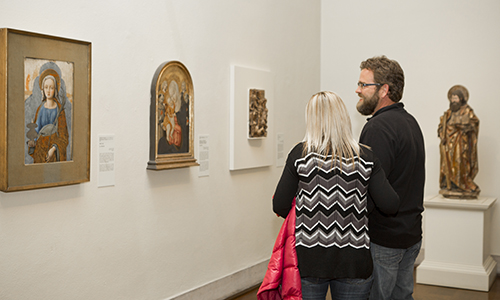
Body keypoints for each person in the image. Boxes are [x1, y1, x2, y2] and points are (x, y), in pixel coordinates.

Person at [273, 91, 400, 300]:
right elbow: (390, 204)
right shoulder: (366, 156)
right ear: (343, 118)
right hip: (354, 260)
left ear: (311, 119)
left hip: (309, 260)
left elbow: (279, 205)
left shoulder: (300, 155)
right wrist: (357, 207)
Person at [355, 56, 425, 300]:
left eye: (364, 85)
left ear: (384, 89)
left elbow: (370, 189)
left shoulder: (377, 128)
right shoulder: (410, 122)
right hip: (410, 234)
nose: (358, 90)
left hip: (384, 239)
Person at [438, 85, 479, 198]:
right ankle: (449, 184)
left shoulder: (467, 111)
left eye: (455, 98)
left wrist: (463, 127)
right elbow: (441, 127)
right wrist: (442, 135)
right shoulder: (448, 114)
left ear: (461, 99)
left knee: (461, 162)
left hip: (461, 144)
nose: (453, 100)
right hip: (448, 146)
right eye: (452, 98)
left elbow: (474, 124)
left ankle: (463, 183)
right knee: (448, 164)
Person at [27, 68, 69, 163]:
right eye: (46, 87)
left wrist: (54, 149)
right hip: (41, 148)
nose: (48, 90)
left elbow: (64, 136)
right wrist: (32, 141)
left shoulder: (60, 110)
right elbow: (36, 130)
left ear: (55, 89)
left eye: (51, 87)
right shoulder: (40, 109)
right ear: (42, 89)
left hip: (54, 149)